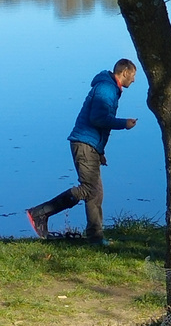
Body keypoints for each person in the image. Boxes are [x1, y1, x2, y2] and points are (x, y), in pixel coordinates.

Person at [26, 59, 138, 245]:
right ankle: (40, 213)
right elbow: (98, 118)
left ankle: (95, 238)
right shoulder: (107, 89)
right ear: (124, 72)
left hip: (90, 145)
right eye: (133, 76)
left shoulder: (110, 88)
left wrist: (100, 151)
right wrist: (123, 124)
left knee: (96, 193)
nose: (134, 80)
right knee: (88, 189)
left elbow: (98, 123)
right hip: (84, 144)